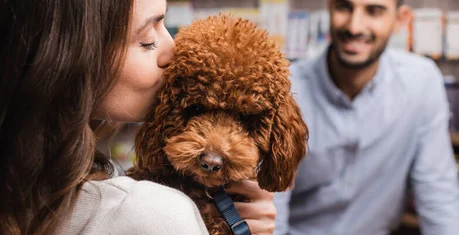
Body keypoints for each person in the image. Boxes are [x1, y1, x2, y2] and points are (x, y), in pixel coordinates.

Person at [0, 0, 275, 234]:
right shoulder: (152, 215)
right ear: (70, 55)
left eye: (164, 24)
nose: (173, 50)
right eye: (147, 40)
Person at [273, 0, 459, 234]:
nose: (355, 27)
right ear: (330, 8)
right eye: (345, 7)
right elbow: (270, 207)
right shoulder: (285, 90)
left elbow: (439, 195)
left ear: (400, 20)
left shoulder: (421, 83)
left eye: (374, 11)